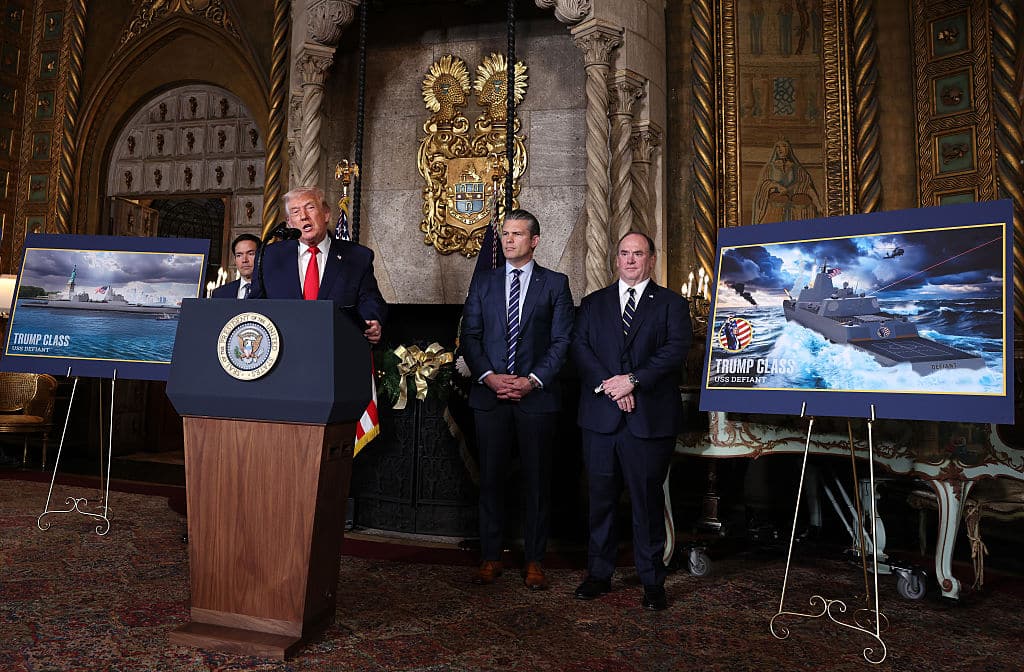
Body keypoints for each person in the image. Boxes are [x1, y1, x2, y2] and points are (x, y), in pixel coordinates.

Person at [571, 231, 692, 611]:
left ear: (651, 259)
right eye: (624, 253)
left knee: (646, 502)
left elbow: (675, 352)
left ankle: (652, 580)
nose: (629, 260)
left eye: (638, 254)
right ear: (616, 258)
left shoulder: (672, 304)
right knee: (600, 501)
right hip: (601, 420)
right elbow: (580, 348)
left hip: (649, 420)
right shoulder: (593, 303)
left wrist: (633, 381)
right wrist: (613, 388)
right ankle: (599, 574)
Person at [460, 208, 573, 590]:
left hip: (535, 399)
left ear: (534, 240)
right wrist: (491, 378)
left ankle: (535, 561)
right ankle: (490, 557)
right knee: (490, 481)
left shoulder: (555, 284)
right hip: (490, 398)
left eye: (517, 234)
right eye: (505, 234)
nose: (509, 240)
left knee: (536, 483)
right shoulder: (484, 282)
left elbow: (561, 342)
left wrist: (532, 381)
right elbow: (470, 338)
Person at [252, 186, 386, 343]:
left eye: (310, 207)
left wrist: (371, 320)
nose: (304, 216)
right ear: (289, 223)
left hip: (338, 346)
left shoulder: (357, 256)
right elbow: (254, 302)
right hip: (284, 347)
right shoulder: (270, 256)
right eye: (295, 212)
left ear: (326, 214)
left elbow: (370, 299)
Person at [212, 233, 261, 299]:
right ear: (235, 259)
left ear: (260, 257)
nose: (244, 260)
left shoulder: (272, 291)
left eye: (250, 254)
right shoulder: (220, 294)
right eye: (239, 255)